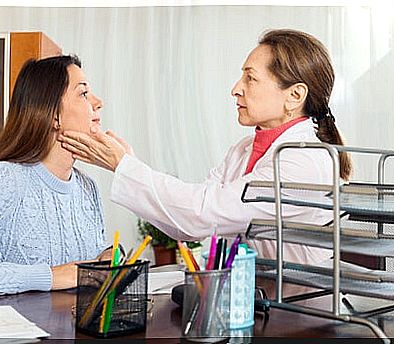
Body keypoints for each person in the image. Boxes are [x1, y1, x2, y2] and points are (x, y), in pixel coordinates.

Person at [58, 29, 352, 269]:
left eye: (250, 77)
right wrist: (127, 164)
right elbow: (190, 222)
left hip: (300, 307)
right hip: (261, 297)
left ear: (294, 95)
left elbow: (201, 213)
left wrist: (123, 166)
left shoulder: (304, 161)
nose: (236, 88)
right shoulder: (243, 149)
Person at [0, 55, 115, 301]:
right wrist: (49, 277)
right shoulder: (4, 179)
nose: (98, 103)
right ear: (53, 115)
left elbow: (82, 260)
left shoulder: (86, 187)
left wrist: (106, 256)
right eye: (83, 93)